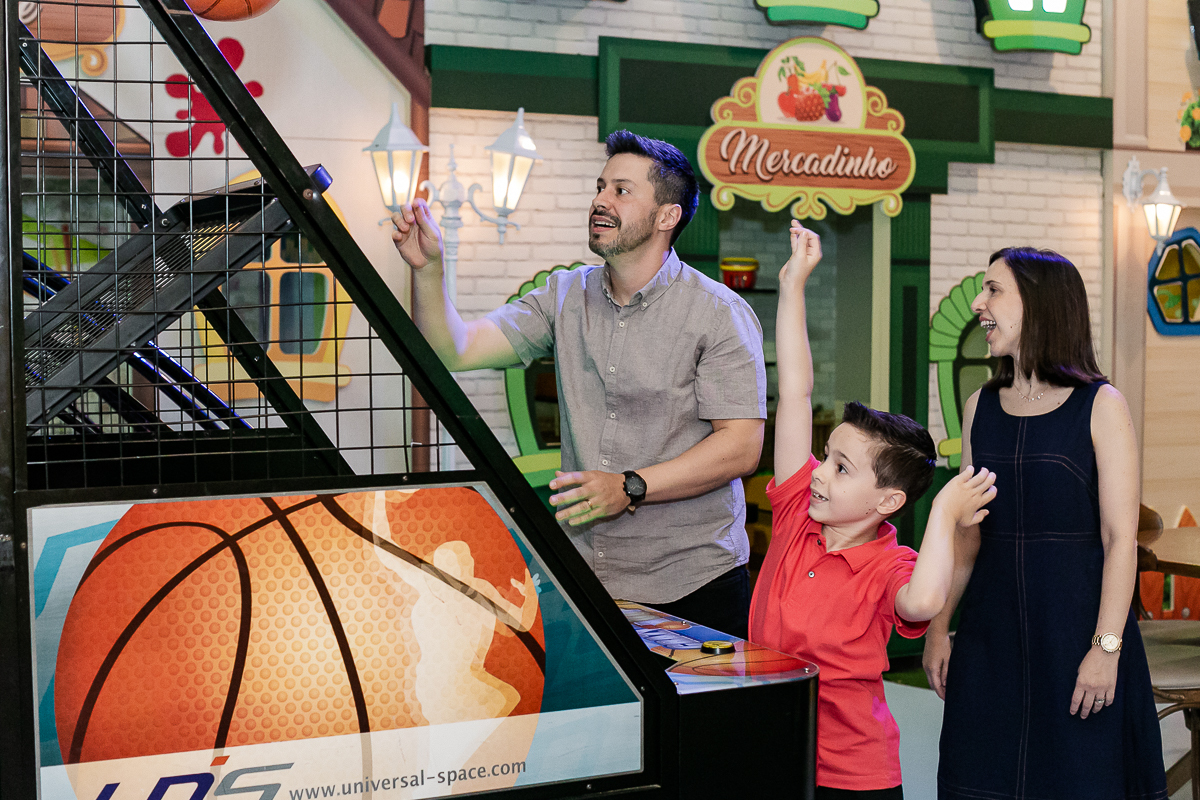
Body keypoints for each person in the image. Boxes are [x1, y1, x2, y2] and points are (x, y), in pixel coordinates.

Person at [390, 130, 767, 638]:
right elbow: (457, 349)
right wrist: (430, 271)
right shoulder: (564, 295)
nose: (600, 200)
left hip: (693, 583)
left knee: (690, 722)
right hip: (586, 578)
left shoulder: (719, 313)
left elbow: (741, 447)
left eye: (621, 190)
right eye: (600, 186)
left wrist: (631, 486)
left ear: (666, 217)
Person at [750, 220, 997, 800]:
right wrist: (792, 289)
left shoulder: (892, 567)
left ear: (889, 502)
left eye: (840, 467)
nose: (817, 471)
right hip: (768, 751)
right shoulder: (795, 518)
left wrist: (942, 513)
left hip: (851, 775)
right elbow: (795, 393)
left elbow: (923, 602)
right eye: (825, 457)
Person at [922, 247, 1168, 800]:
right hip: (991, 640)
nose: (979, 305)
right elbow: (967, 537)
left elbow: (1119, 540)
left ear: (1039, 304)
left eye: (993, 290)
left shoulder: (1102, 405)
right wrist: (939, 629)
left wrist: (1105, 650)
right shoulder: (978, 407)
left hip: (1077, 636)